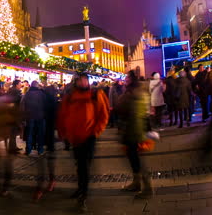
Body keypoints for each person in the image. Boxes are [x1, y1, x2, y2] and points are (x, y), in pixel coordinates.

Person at [57, 73, 109, 209]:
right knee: (80, 166)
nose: (82, 82)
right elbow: (63, 114)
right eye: (80, 80)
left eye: (84, 80)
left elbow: (104, 114)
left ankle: (83, 196)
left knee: (84, 166)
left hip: (89, 136)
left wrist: (96, 131)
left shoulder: (95, 94)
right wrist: (63, 132)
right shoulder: (69, 97)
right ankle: (81, 189)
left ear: (88, 81)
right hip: (75, 137)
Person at [118, 71, 153, 199]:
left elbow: (121, 106)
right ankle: (137, 182)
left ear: (131, 80)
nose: (125, 79)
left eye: (127, 77)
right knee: (134, 157)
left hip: (133, 129)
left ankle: (147, 187)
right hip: (136, 128)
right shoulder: (140, 91)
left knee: (136, 159)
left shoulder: (131, 93)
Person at [21, 80, 47, 156]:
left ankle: (28, 150)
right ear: (37, 86)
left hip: (29, 116)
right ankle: (40, 149)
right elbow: (45, 105)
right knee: (40, 133)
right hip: (40, 116)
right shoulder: (42, 94)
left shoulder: (27, 94)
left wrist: (23, 116)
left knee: (29, 133)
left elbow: (22, 105)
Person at [6, 80, 23, 154]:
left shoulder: (10, 91)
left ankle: (13, 147)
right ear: (16, 85)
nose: (21, 85)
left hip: (10, 113)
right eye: (20, 84)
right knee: (13, 131)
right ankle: (12, 148)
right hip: (14, 113)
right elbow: (17, 100)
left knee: (13, 131)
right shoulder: (16, 92)